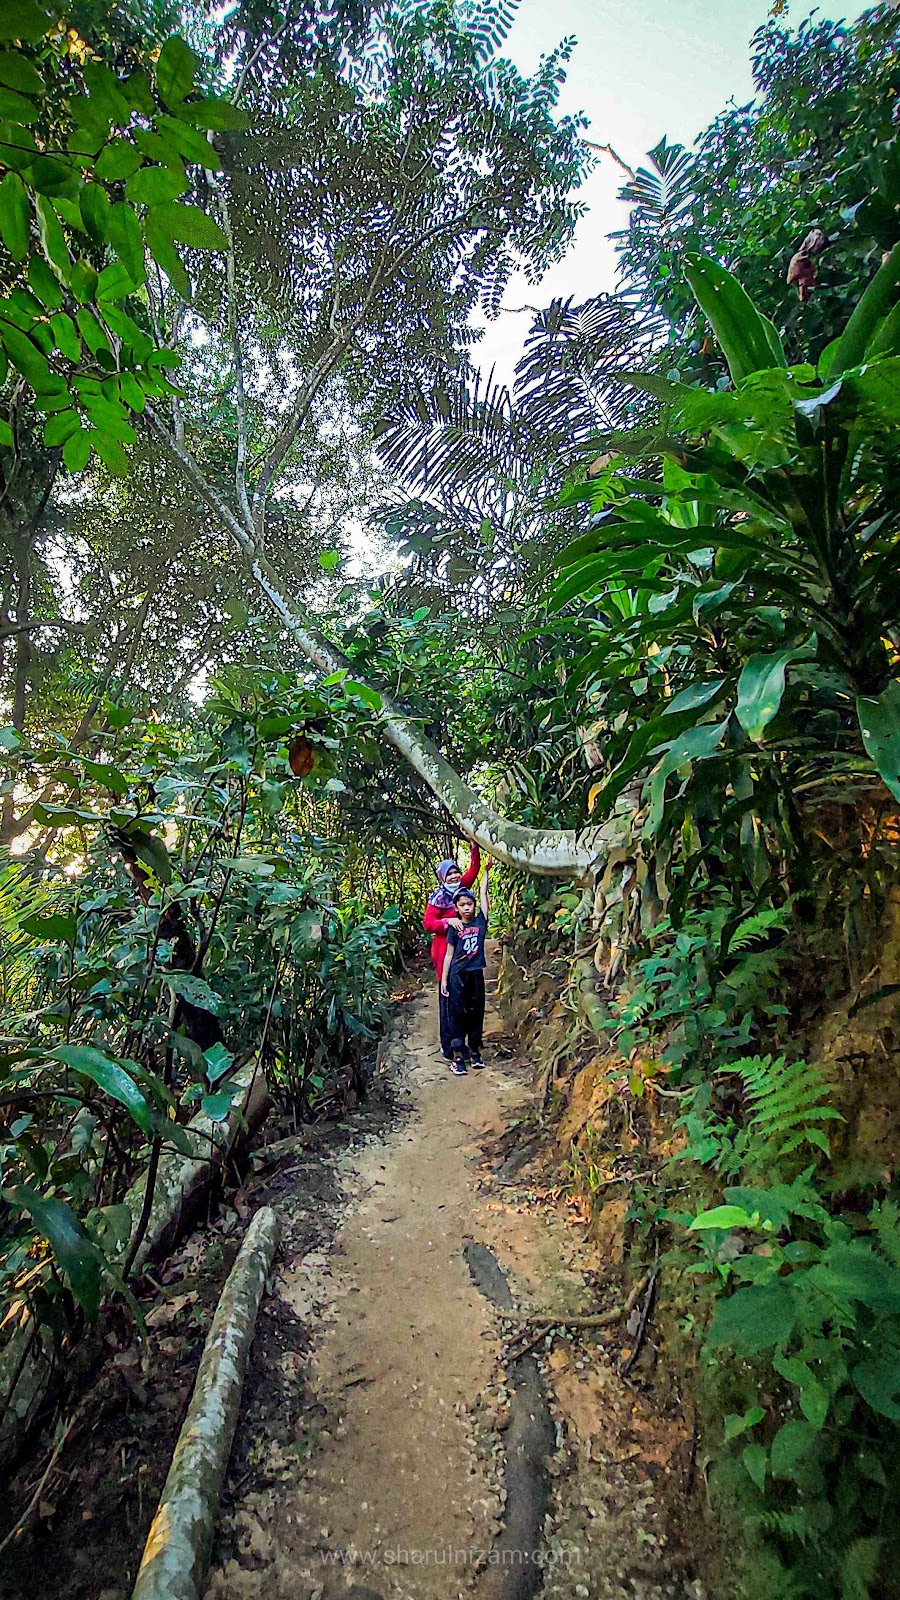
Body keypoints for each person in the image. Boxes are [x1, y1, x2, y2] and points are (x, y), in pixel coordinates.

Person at [423, 844, 480, 1060]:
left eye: (456, 872)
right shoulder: (438, 898)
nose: (455, 876)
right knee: (448, 999)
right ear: (442, 878)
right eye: (450, 874)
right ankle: (449, 1047)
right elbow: (428, 923)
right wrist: (448, 922)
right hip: (444, 951)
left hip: (465, 952)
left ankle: (465, 1044)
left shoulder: (462, 891)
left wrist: (474, 846)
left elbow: (474, 869)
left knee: (466, 998)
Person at [440, 861, 489, 1076]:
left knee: (476, 1013)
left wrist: (485, 875)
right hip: (457, 976)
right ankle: (458, 1055)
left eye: (470, 904)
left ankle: (475, 1052)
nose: (467, 908)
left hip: (475, 975)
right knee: (457, 1014)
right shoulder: (454, 927)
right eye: (463, 905)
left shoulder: (480, 922)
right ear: (457, 908)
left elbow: (485, 897)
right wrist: (444, 979)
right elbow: (449, 954)